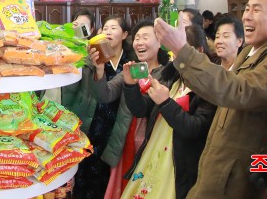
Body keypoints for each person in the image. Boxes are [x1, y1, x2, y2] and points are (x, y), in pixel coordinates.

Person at [154, 0, 267, 198]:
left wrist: (182, 50)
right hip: (220, 168)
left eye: (256, 10)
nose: (247, 16)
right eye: (247, 9)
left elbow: (237, 90)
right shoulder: (252, 51)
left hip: (238, 179)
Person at [121, 25, 217, 199]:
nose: (175, 58)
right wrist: (130, 85)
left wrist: (165, 102)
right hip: (155, 151)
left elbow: (194, 128)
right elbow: (141, 109)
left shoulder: (209, 87)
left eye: (180, 51)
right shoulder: (171, 77)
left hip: (180, 163)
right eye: (173, 52)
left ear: (199, 51)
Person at [94, 19, 170, 199]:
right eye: (137, 38)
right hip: (125, 139)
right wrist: (99, 71)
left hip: (151, 143)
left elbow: (142, 109)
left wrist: (131, 86)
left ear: (159, 42)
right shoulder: (131, 69)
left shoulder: (166, 74)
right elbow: (105, 95)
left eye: (146, 37)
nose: (139, 42)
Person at [64, 15, 135, 199]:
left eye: (114, 28)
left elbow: (112, 95)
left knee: (104, 181)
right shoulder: (90, 58)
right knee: (80, 175)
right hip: (88, 122)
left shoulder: (129, 63)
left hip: (113, 127)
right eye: (105, 28)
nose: (108, 32)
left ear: (125, 34)